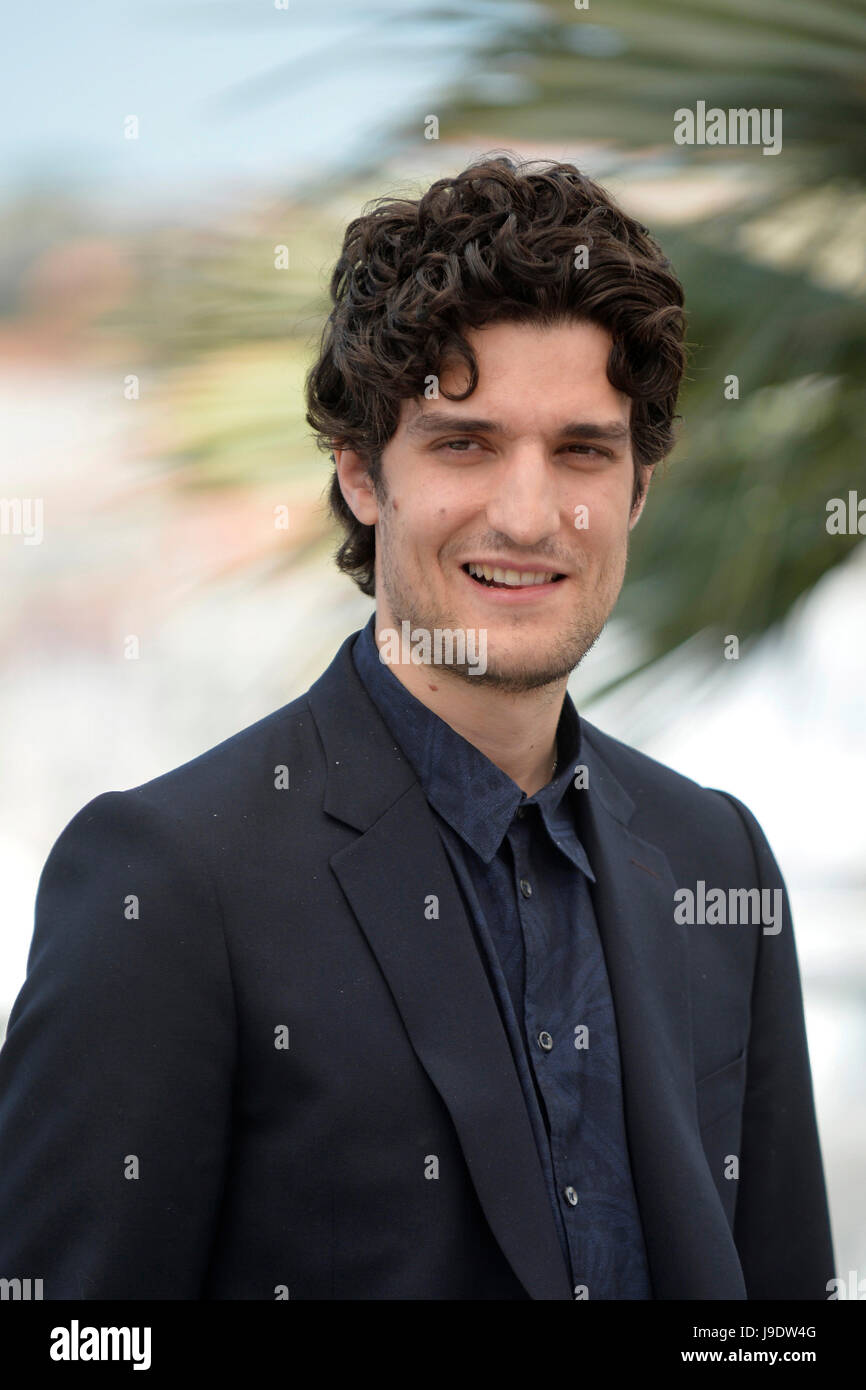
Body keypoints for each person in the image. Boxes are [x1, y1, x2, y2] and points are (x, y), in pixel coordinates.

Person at [0, 155, 834, 1300]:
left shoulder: (716, 861)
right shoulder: (169, 880)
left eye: (581, 450)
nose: (529, 514)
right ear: (358, 472)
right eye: (464, 443)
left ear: (637, 487)